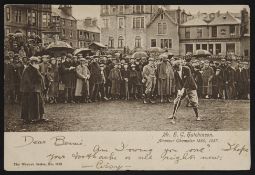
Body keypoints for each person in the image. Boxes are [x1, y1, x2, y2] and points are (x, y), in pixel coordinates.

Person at [168, 59, 201, 124]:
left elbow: (188, 79)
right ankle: (173, 114)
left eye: (178, 68)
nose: (177, 70)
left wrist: (183, 89)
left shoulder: (187, 69)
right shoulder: (175, 72)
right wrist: (178, 90)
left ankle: (198, 116)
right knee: (177, 100)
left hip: (191, 86)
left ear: (180, 65)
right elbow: (177, 82)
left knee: (193, 101)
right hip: (182, 87)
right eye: (176, 69)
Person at [20, 56, 48, 123]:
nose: (37, 63)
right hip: (30, 90)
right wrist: (33, 87)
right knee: (30, 104)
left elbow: (40, 78)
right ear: (32, 62)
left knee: (39, 103)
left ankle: (39, 117)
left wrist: (41, 87)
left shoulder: (35, 68)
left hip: (36, 89)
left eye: (37, 62)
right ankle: (29, 118)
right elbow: (27, 80)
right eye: (36, 62)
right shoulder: (27, 69)